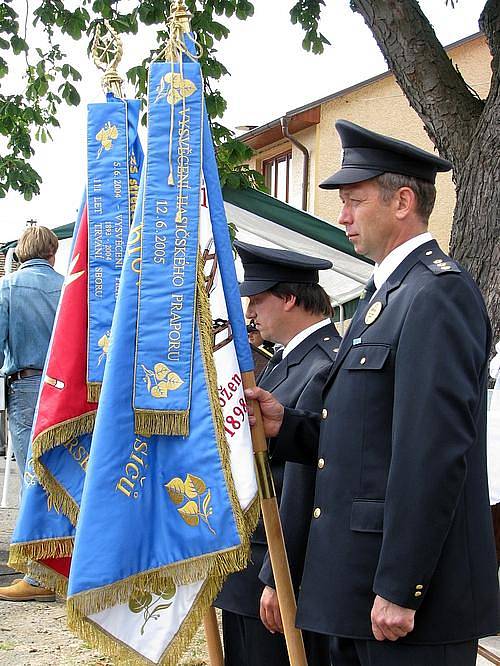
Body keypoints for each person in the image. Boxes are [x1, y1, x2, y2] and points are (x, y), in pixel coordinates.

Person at [247, 120, 499, 666]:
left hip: (402, 599)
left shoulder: (437, 293)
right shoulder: (386, 294)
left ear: (403, 200)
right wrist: (286, 426)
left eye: (355, 201)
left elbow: (433, 450)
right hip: (354, 586)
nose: (342, 217)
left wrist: (402, 583)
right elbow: (361, 438)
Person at [215, 240, 340, 666]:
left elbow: (306, 484)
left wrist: (276, 575)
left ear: (289, 298)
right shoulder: (289, 360)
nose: (250, 312)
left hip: (275, 564)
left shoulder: (323, 365)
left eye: (257, 299)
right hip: (250, 561)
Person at [0, 225, 63, 602]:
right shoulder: (71, 287)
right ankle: (66, 567)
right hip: (66, 391)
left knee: (33, 477)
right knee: (65, 474)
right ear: (54, 253)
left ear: (20, 254)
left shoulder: (8, 288)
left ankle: (38, 576)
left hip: (25, 386)